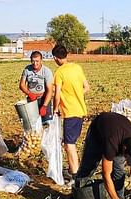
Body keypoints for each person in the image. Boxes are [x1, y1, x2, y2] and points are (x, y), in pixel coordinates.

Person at [74, 112, 131, 199]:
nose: (128, 161)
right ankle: (79, 198)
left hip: (117, 130)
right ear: (124, 149)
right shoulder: (112, 142)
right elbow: (106, 174)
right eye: (127, 157)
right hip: (98, 131)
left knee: (119, 171)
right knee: (88, 166)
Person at [52, 44, 90, 186]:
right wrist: (76, 95)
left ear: (55, 58)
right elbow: (86, 87)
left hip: (70, 112)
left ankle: (75, 176)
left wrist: (56, 108)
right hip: (80, 111)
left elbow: (56, 94)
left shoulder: (59, 72)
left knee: (69, 145)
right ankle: (72, 169)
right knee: (69, 142)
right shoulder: (77, 68)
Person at [19, 51, 54, 124]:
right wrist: (30, 94)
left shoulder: (46, 71)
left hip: (43, 99)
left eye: (37, 61)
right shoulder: (27, 69)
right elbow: (22, 85)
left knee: (46, 123)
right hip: (31, 100)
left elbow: (49, 90)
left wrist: (44, 106)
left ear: (41, 60)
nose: (35, 63)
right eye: (33, 61)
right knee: (32, 123)